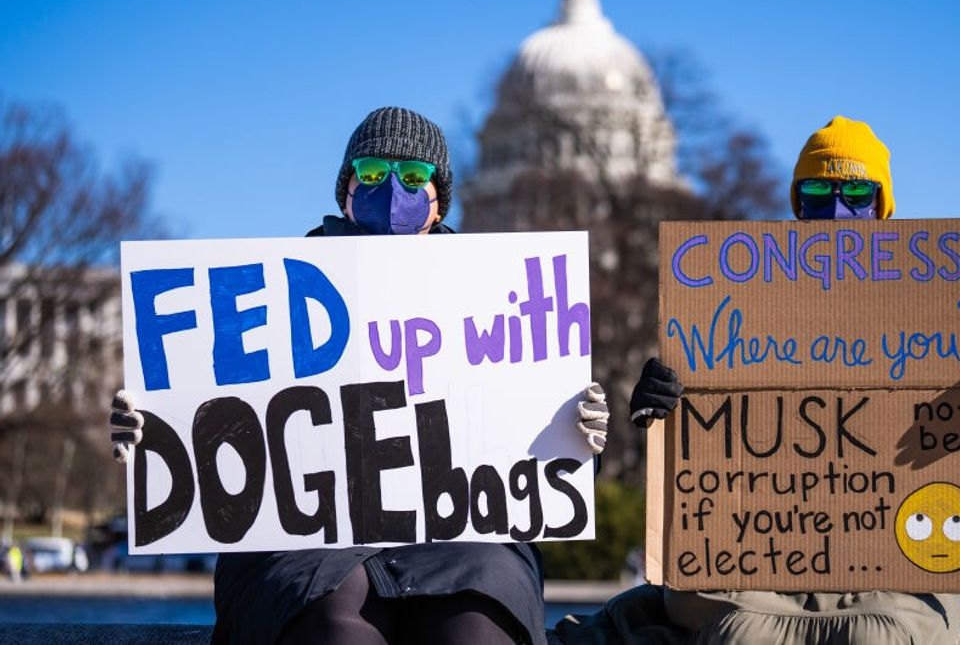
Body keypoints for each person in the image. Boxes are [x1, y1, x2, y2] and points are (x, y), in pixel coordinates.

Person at [110, 107, 610, 645]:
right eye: (372, 172)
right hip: (306, 539)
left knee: (476, 628)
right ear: (345, 187)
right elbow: (210, 417)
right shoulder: (267, 293)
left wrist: (583, 436)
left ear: (439, 197)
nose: (393, 189)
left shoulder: (499, 296)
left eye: (414, 177)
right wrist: (152, 429)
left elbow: (531, 458)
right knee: (332, 629)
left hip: (462, 536)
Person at [621, 117, 960, 645]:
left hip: (887, 570)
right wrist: (656, 407)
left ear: (883, 206)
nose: (836, 209)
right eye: (816, 190)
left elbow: (958, 463)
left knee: (876, 635)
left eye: (857, 191)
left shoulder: (938, 320)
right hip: (758, 567)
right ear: (796, 204)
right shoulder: (730, 308)